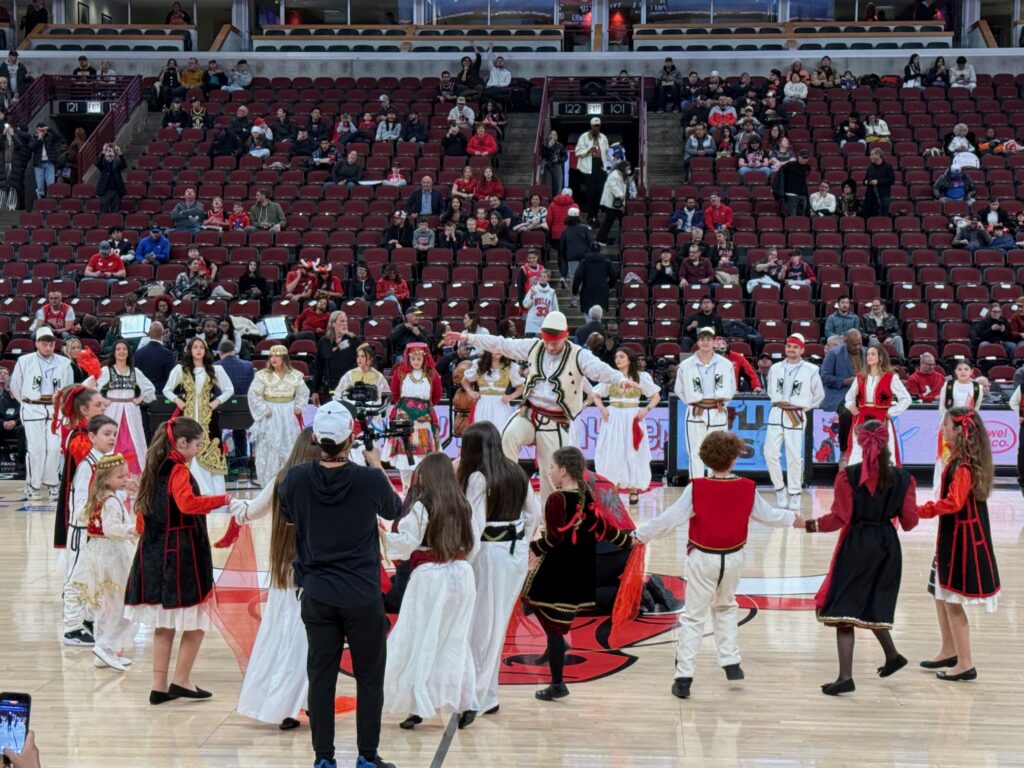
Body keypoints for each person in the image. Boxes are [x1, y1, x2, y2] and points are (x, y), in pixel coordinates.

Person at [277, 402, 400, 768]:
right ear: (352, 437)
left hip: (316, 591)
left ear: (316, 438)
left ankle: (324, 759)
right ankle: (366, 756)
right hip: (362, 592)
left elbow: (287, 515)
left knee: (321, 677)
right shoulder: (369, 479)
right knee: (369, 677)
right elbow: (395, 510)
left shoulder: (296, 478)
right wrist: (375, 462)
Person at [636, 431, 793, 699]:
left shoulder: (697, 487)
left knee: (694, 617)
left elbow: (670, 519)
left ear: (707, 459)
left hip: (702, 557)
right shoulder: (747, 487)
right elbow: (770, 516)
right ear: (734, 459)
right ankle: (730, 661)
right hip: (733, 558)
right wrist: (796, 519)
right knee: (726, 606)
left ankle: (684, 676)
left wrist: (640, 535)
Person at [447, 312, 635, 502]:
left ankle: (548, 523)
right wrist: (468, 337)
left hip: (556, 420)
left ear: (565, 336)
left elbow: (599, 369)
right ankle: (508, 495)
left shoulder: (579, 354)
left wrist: (619, 379)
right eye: (547, 342)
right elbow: (501, 344)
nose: (550, 347)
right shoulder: (534, 346)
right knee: (507, 439)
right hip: (530, 412)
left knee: (550, 473)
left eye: (555, 343)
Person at [796, 421, 918, 695]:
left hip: (858, 544)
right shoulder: (904, 478)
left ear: (860, 443)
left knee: (844, 610)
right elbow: (909, 522)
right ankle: (892, 656)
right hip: (888, 545)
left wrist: (808, 524)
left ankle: (845, 677)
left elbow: (840, 518)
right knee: (872, 602)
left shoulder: (847, 476)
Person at [125, 417, 233, 705]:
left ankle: (158, 686)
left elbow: (141, 514)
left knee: (164, 620)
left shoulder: (153, 467)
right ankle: (181, 680)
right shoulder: (178, 471)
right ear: (182, 443)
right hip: (180, 551)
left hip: (153, 549)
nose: (199, 449)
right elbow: (188, 504)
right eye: (197, 444)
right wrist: (220, 500)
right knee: (195, 618)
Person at [224, 428, 321, 729]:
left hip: (285, 570)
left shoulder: (282, 479)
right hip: (318, 572)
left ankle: (284, 703)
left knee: (279, 638)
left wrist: (231, 504)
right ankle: (300, 701)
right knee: (310, 642)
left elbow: (249, 511)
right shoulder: (326, 481)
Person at [523, 446, 634, 701]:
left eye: (550, 467)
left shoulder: (556, 500)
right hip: (581, 568)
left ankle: (557, 683)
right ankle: (558, 646)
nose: (548, 471)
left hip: (558, 569)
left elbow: (554, 537)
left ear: (562, 470)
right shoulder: (586, 497)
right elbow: (603, 528)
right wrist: (628, 541)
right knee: (544, 613)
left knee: (535, 605)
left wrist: (531, 548)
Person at [383, 452, 479, 730]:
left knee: (417, 639)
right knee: (456, 641)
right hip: (462, 575)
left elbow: (407, 542)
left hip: (431, 578)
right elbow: (471, 544)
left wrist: (382, 535)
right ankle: (466, 701)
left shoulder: (423, 505)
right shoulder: (462, 503)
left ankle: (418, 703)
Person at [917, 408, 1000, 682]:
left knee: (952, 600)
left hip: (961, 540)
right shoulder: (960, 460)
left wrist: (919, 510)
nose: (943, 428)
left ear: (960, 431)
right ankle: (949, 649)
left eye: (947, 424)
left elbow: (953, 503)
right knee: (939, 594)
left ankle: (965, 663)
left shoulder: (963, 465)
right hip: (952, 536)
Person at [77, 453, 139, 671]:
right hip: (113, 555)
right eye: (121, 477)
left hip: (98, 553)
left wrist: (128, 487)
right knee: (125, 605)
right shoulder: (111, 500)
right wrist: (133, 530)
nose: (125, 480)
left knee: (106, 606)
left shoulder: (101, 496)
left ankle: (104, 650)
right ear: (106, 479)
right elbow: (111, 529)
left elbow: (82, 518)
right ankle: (104, 645)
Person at [162, 338, 235, 501]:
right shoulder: (181, 370)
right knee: (187, 447)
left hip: (208, 419)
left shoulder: (214, 370)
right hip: (187, 417)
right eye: (195, 347)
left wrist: (216, 401)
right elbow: (166, 389)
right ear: (189, 350)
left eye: (202, 347)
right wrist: (177, 400)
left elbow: (229, 389)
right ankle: (191, 491)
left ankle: (214, 493)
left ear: (206, 350)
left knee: (210, 449)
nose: (198, 350)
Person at [11, 327, 74, 501]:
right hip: (33, 407)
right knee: (36, 449)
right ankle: (33, 485)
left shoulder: (65, 363)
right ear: (37, 344)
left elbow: (69, 388)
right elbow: (15, 385)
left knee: (54, 448)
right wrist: (26, 402)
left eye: (51, 344)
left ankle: (53, 483)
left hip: (55, 408)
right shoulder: (24, 361)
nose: (48, 347)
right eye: (44, 344)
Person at [591, 347, 661, 504]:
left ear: (629, 359)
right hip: (614, 417)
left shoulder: (641, 377)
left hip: (632, 417)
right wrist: (602, 408)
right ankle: (614, 485)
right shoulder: (610, 376)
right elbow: (596, 394)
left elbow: (656, 396)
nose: (618, 360)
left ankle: (633, 488)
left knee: (632, 450)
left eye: (621, 357)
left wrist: (646, 409)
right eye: (616, 357)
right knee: (614, 451)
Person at [764, 334, 824, 510]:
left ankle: (795, 493)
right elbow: (770, 390)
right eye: (789, 346)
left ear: (802, 350)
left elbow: (819, 395)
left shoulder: (811, 369)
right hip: (776, 411)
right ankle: (780, 489)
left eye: (795, 347)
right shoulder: (775, 368)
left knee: (793, 455)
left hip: (796, 413)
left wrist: (802, 409)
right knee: (770, 453)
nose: (791, 349)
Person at [673, 326, 737, 478]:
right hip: (696, 411)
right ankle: (697, 487)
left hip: (717, 410)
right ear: (698, 341)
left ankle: (714, 485)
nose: (705, 342)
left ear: (714, 341)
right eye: (702, 339)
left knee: (718, 451)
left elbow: (732, 387)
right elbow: (679, 389)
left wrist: (721, 404)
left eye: (709, 339)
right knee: (695, 451)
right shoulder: (686, 365)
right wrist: (692, 403)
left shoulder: (725, 364)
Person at [88, 339, 156, 475]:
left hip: (131, 411)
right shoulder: (107, 370)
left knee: (133, 444)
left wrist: (139, 399)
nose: (121, 351)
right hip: (112, 410)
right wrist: (102, 400)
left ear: (128, 352)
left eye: (124, 349)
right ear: (114, 352)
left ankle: (131, 479)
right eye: (118, 349)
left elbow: (150, 388)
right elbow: (90, 385)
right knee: (112, 442)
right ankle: (108, 476)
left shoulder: (134, 371)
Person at [247, 345, 310, 488]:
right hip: (271, 413)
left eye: (277, 356)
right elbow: (253, 394)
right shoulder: (263, 375)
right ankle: (269, 483)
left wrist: (299, 406)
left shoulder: (295, 375)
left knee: (289, 446)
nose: (274, 359)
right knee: (269, 447)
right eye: (272, 356)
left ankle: (289, 482)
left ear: (284, 358)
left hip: (288, 413)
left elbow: (303, 393)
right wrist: (263, 408)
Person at [381, 342, 442, 489]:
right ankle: (406, 487)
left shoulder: (432, 374)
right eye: (413, 359)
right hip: (404, 419)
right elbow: (395, 394)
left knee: (423, 453)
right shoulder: (400, 373)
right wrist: (407, 410)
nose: (416, 362)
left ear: (424, 358)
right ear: (408, 358)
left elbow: (437, 396)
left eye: (419, 359)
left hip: (423, 420)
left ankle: (423, 487)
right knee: (403, 454)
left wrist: (422, 409)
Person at [844, 345, 911, 466]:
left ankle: (884, 482)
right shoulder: (860, 377)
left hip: (882, 419)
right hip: (862, 418)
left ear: (880, 357)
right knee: (859, 452)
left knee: (883, 452)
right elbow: (849, 397)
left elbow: (906, 399)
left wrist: (891, 412)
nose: (869, 356)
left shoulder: (891, 378)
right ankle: (858, 481)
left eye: (873, 354)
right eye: (868, 354)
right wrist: (851, 407)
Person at [933, 360, 981, 493]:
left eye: (966, 369)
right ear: (955, 372)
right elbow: (942, 408)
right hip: (949, 428)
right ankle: (944, 488)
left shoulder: (977, 388)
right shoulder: (948, 386)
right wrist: (946, 426)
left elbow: (975, 410)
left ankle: (964, 488)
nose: (963, 372)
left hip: (967, 429)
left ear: (972, 371)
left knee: (966, 457)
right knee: (946, 457)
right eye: (960, 369)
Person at [462, 349, 523, 431]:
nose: (498, 350)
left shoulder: (509, 367)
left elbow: (521, 387)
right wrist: (470, 392)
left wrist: (511, 397)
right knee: (481, 433)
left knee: (500, 432)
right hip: (483, 404)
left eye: (501, 348)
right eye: (495, 347)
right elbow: (464, 380)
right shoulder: (479, 365)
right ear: (488, 348)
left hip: (501, 405)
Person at [574, 117, 610, 222]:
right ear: (591, 126)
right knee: (590, 193)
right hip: (589, 168)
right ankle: (591, 215)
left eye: (598, 125)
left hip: (601, 167)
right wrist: (588, 150)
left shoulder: (603, 137)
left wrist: (615, 159)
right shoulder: (584, 137)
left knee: (600, 192)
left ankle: (595, 213)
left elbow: (606, 154)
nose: (596, 127)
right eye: (594, 126)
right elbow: (577, 152)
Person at [522, 269, 559, 336]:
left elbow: (555, 309)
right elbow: (525, 305)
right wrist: (531, 296)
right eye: (540, 276)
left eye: (544, 277)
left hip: (546, 324)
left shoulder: (552, 292)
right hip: (532, 324)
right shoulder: (533, 289)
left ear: (548, 279)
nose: (542, 278)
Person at [93, 143, 126, 214]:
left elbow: (124, 165)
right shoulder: (103, 164)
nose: (109, 153)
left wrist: (120, 153)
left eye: (111, 151)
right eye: (108, 151)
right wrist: (103, 152)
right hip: (105, 191)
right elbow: (97, 163)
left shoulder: (117, 163)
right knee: (104, 211)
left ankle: (115, 224)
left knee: (116, 211)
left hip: (116, 191)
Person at [862, 148, 894, 218]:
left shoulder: (888, 167)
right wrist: (866, 182)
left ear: (878, 155)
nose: (870, 157)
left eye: (872, 155)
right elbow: (864, 180)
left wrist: (878, 182)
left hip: (883, 195)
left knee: (883, 215)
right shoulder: (870, 167)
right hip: (871, 195)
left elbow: (891, 180)